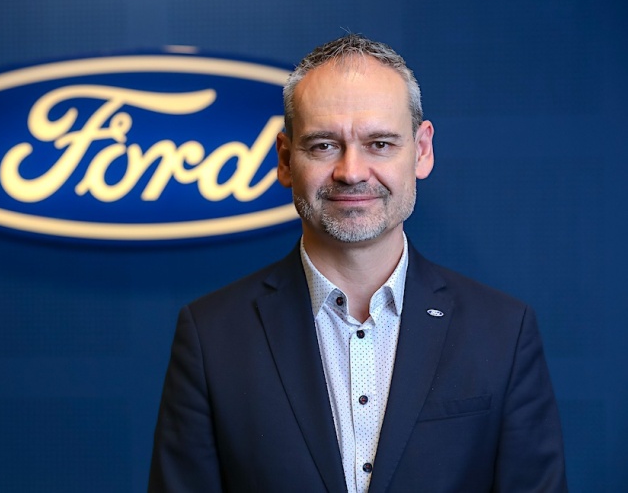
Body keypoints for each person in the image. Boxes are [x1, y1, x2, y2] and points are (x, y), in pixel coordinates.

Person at [148, 34, 567, 492]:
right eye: (323, 145)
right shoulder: (211, 336)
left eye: (380, 143)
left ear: (422, 151)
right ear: (285, 159)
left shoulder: (503, 332)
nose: (351, 172)